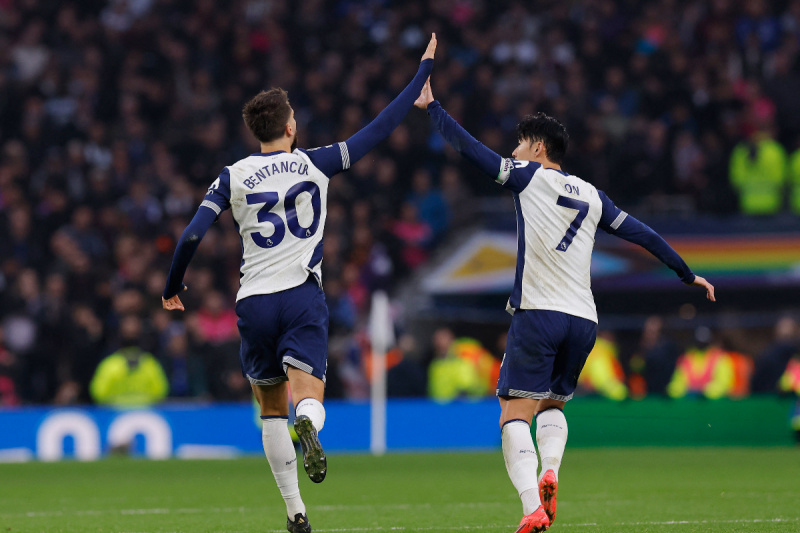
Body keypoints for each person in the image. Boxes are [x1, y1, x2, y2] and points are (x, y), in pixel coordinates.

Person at [161, 35, 437, 533]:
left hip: (254, 301)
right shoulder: (316, 161)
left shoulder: (233, 175)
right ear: (291, 127)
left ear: (256, 132)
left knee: (269, 410)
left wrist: (171, 286)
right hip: (302, 295)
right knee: (308, 396)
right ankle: (307, 420)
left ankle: (295, 513)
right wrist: (420, 79)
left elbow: (191, 235)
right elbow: (377, 130)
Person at [414, 77, 715, 533]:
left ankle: (532, 506)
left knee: (513, 414)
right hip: (583, 319)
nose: (513, 150)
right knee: (553, 407)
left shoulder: (526, 177)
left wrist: (434, 108)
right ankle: (550, 469)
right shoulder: (593, 195)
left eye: (519, 142)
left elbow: (471, 151)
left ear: (537, 147)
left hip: (538, 313)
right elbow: (642, 233)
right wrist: (684, 272)